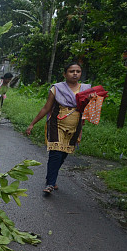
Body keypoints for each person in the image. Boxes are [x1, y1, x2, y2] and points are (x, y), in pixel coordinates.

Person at [24, 62, 91, 196]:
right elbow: (46, 108)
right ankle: (50, 183)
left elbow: (88, 109)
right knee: (55, 153)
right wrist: (32, 124)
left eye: (78, 71)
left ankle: (52, 178)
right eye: (72, 71)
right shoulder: (57, 88)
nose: (75, 74)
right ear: (65, 74)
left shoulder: (86, 89)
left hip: (74, 125)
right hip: (57, 124)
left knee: (63, 154)